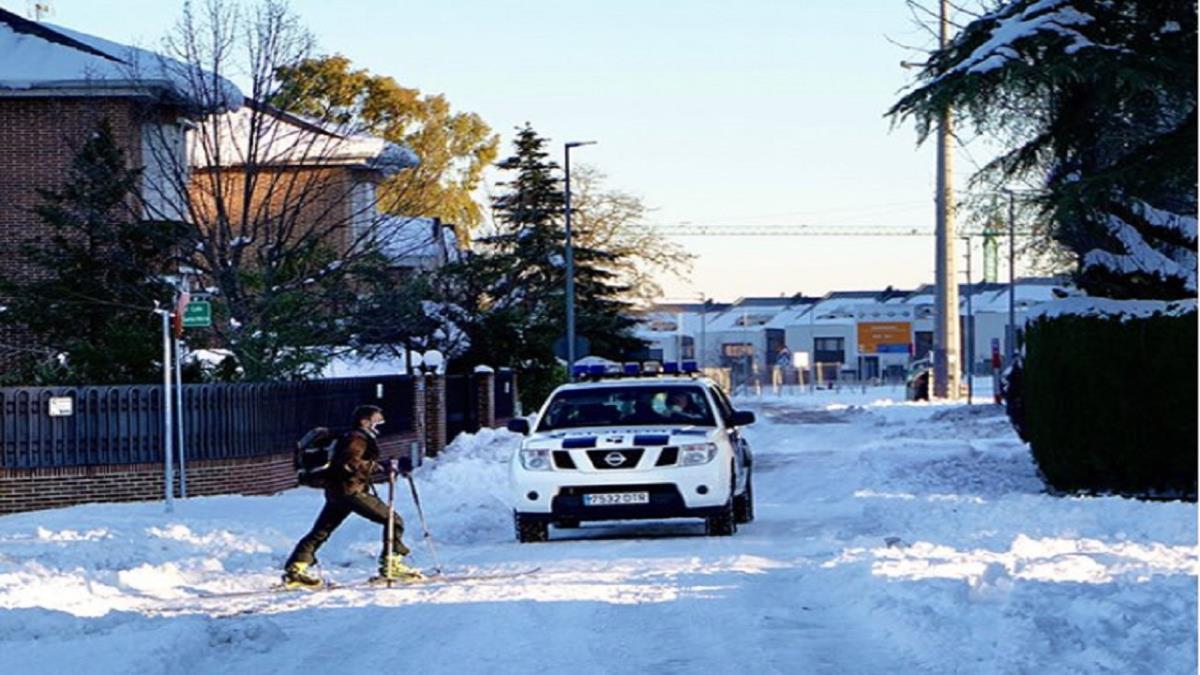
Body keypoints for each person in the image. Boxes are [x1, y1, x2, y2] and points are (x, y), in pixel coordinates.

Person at [282, 404, 419, 588]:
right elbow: (350, 463)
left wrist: (386, 465)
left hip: (337, 492)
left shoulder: (352, 437)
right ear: (364, 421)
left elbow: (353, 463)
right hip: (350, 491)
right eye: (377, 420)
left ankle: (296, 569)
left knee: (321, 531)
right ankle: (391, 564)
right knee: (393, 521)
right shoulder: (357, 438)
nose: (380, 424)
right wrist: (381, 467)